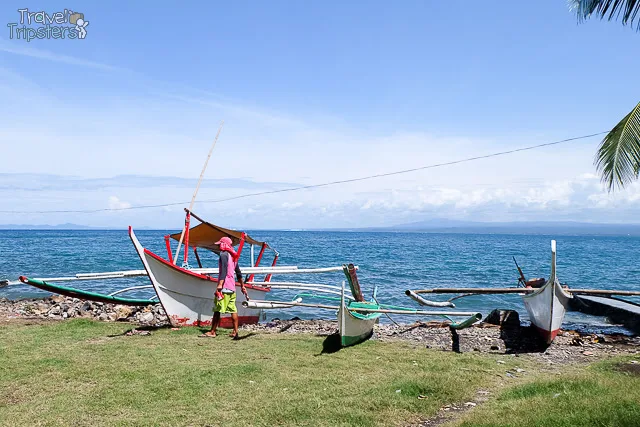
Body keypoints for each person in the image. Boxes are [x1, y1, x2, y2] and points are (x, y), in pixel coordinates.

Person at [202, 236, 249, 338]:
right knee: (232, 309)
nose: (219, 246)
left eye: (220, 244)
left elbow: (223, 270)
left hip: (224, 286)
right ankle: (235, 332)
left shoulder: (223, 255)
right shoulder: (233, 255)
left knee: (217, 309)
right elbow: (238, 272)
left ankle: (213, 332)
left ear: (223, 244)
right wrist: (242, 286)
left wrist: (219, 285)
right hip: (232, 287)